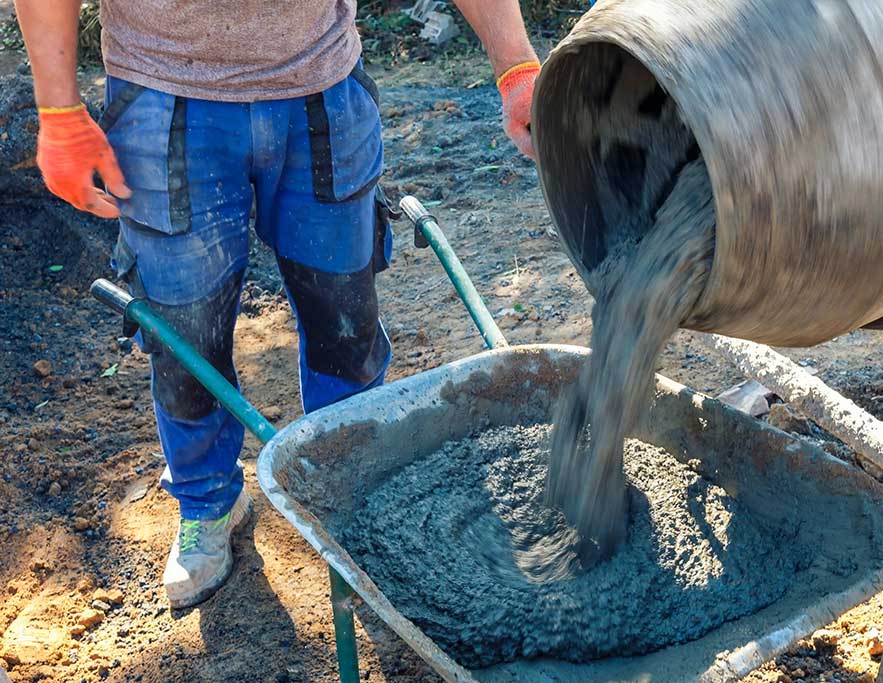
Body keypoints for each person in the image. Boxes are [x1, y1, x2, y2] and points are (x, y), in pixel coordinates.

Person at [14, 0, 539, 609]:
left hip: (323, 85)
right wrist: (58, 109)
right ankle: (207, 502)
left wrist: (517, 66)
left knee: (345, 322)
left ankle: (352, 491)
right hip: (165, 98)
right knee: (186, 336)